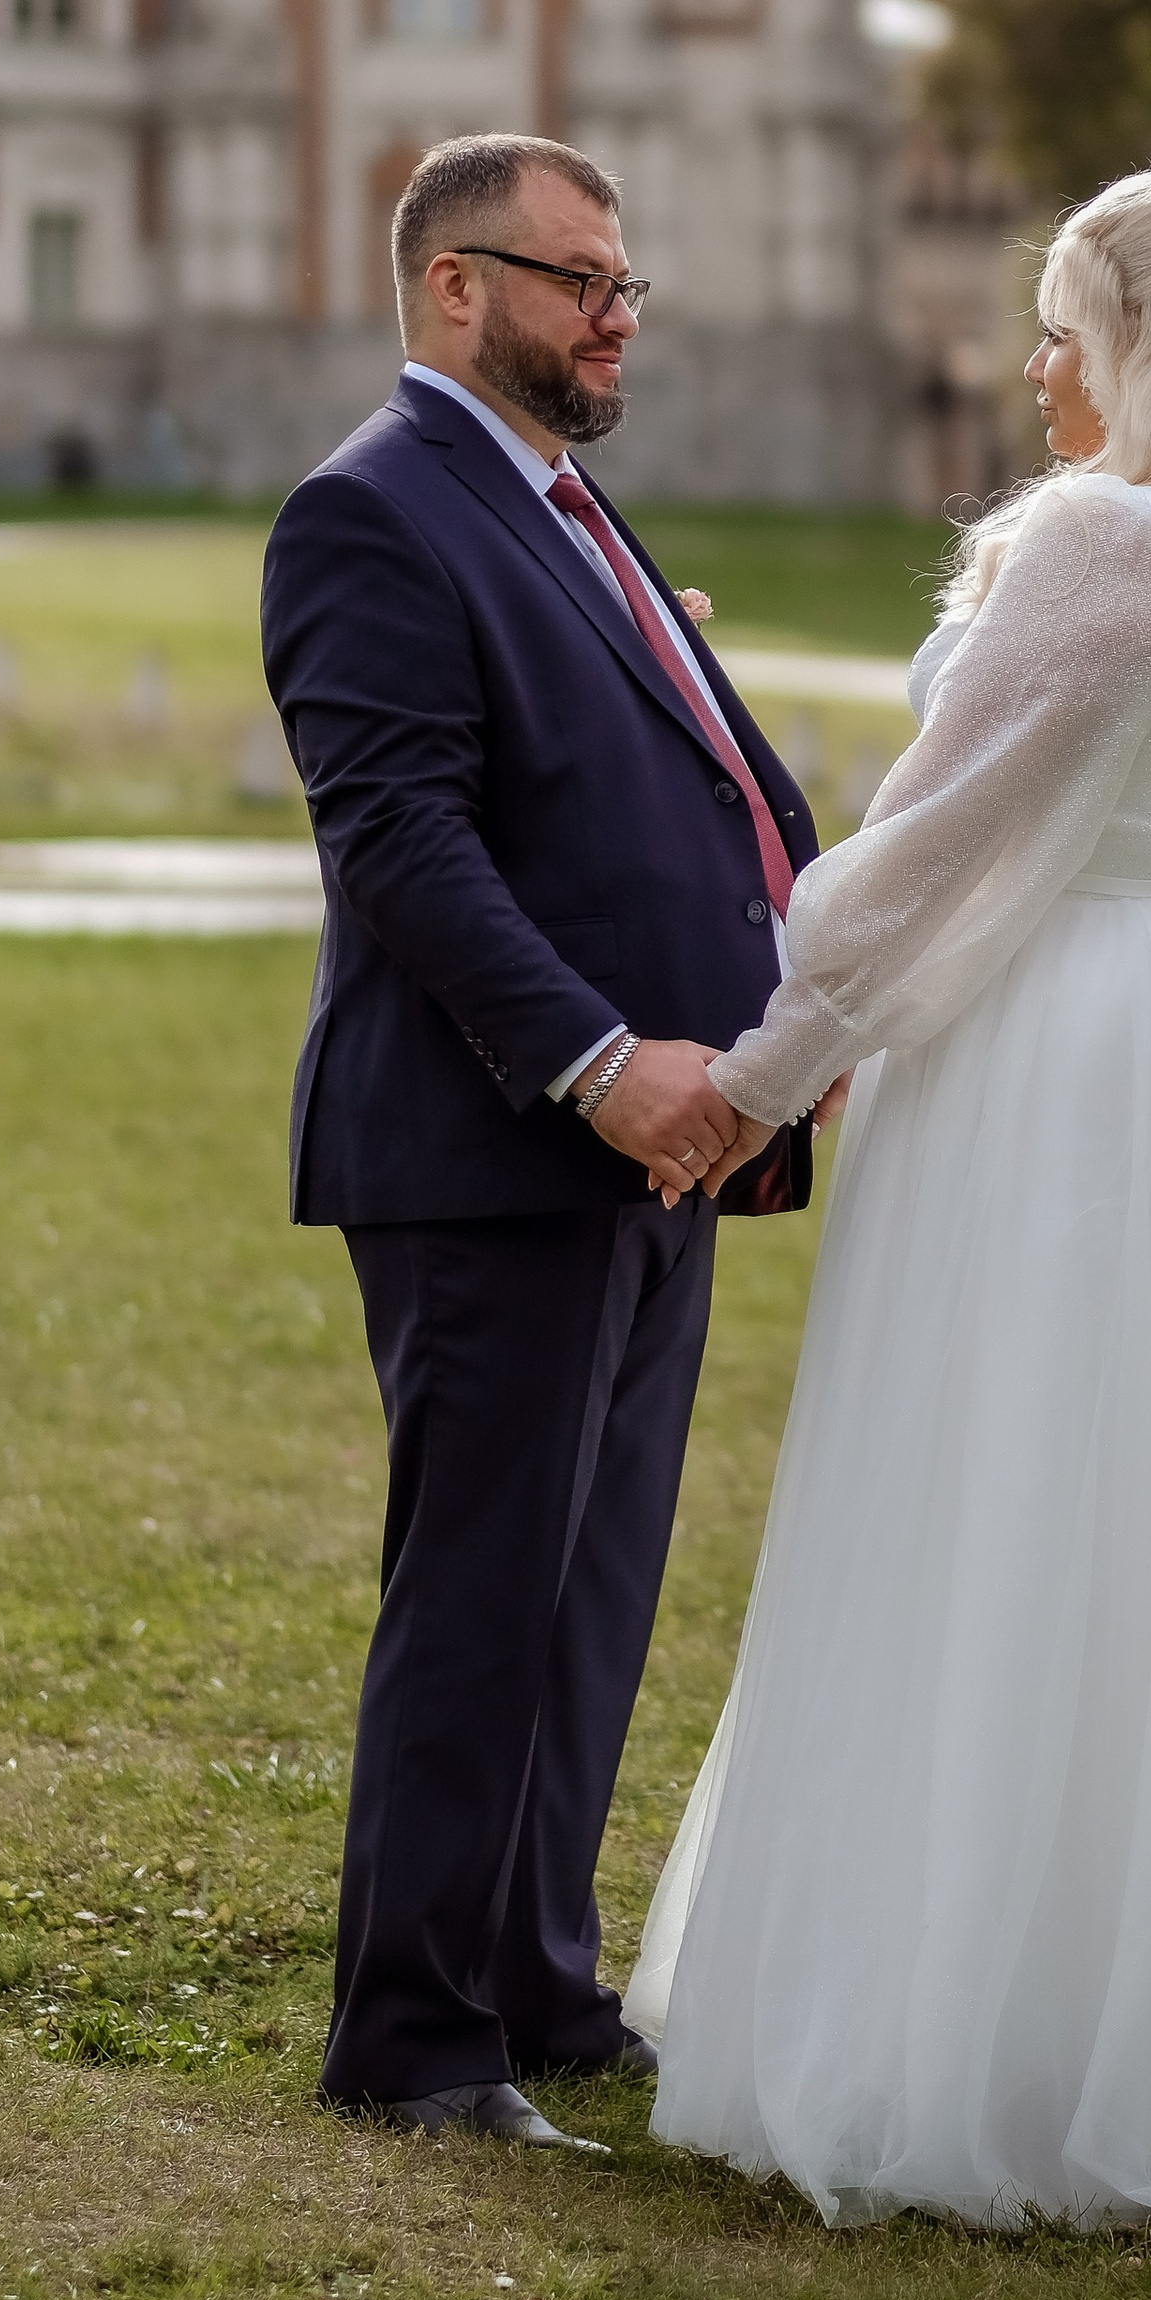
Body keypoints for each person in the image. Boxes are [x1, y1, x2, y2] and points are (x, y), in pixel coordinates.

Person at [625, 167, 1151, 2229]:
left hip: (1091, 1060)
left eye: (1058, 330)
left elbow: (941, 840)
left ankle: (1013, 2026)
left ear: (1137, 346)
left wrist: (762, 1071)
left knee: (1034, 1501)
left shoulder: (1108, 542)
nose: (1031, 367)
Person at [261, 132, 828, 2154]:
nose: (615, 312)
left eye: (624, 279)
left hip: (663, 1147)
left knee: (590, 1587)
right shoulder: (372, 517)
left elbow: (713, 783)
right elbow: (402, 844)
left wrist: (794, 1012)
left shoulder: (563, 504)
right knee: (482, 1590)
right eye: (575, 275)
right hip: (494, 1146)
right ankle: (415, 2039)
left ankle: (535, 1984)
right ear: (449, 289)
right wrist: (601, 1064)